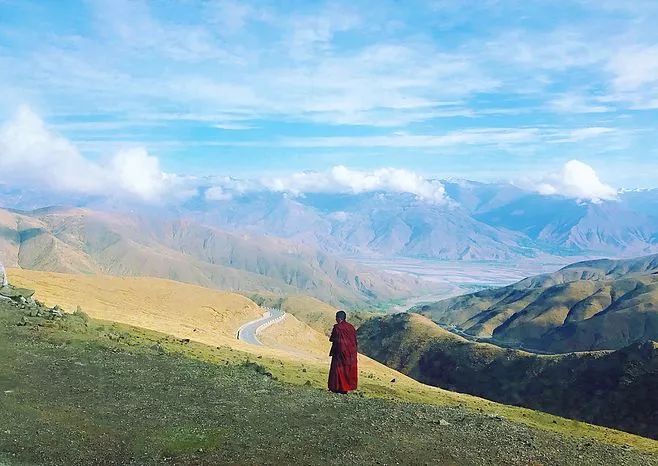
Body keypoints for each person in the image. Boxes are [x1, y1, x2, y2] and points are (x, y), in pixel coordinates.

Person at [328, 310, 358, 394]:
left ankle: (336, 388)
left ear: (338, 318)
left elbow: (332, 339)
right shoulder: (351, 327)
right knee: (347, 370)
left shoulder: (337, 327)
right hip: (351, 353)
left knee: (338, 370)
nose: (335, 319)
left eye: (336, 318)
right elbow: (354, 340)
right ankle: (346, 388)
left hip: (339, 352)